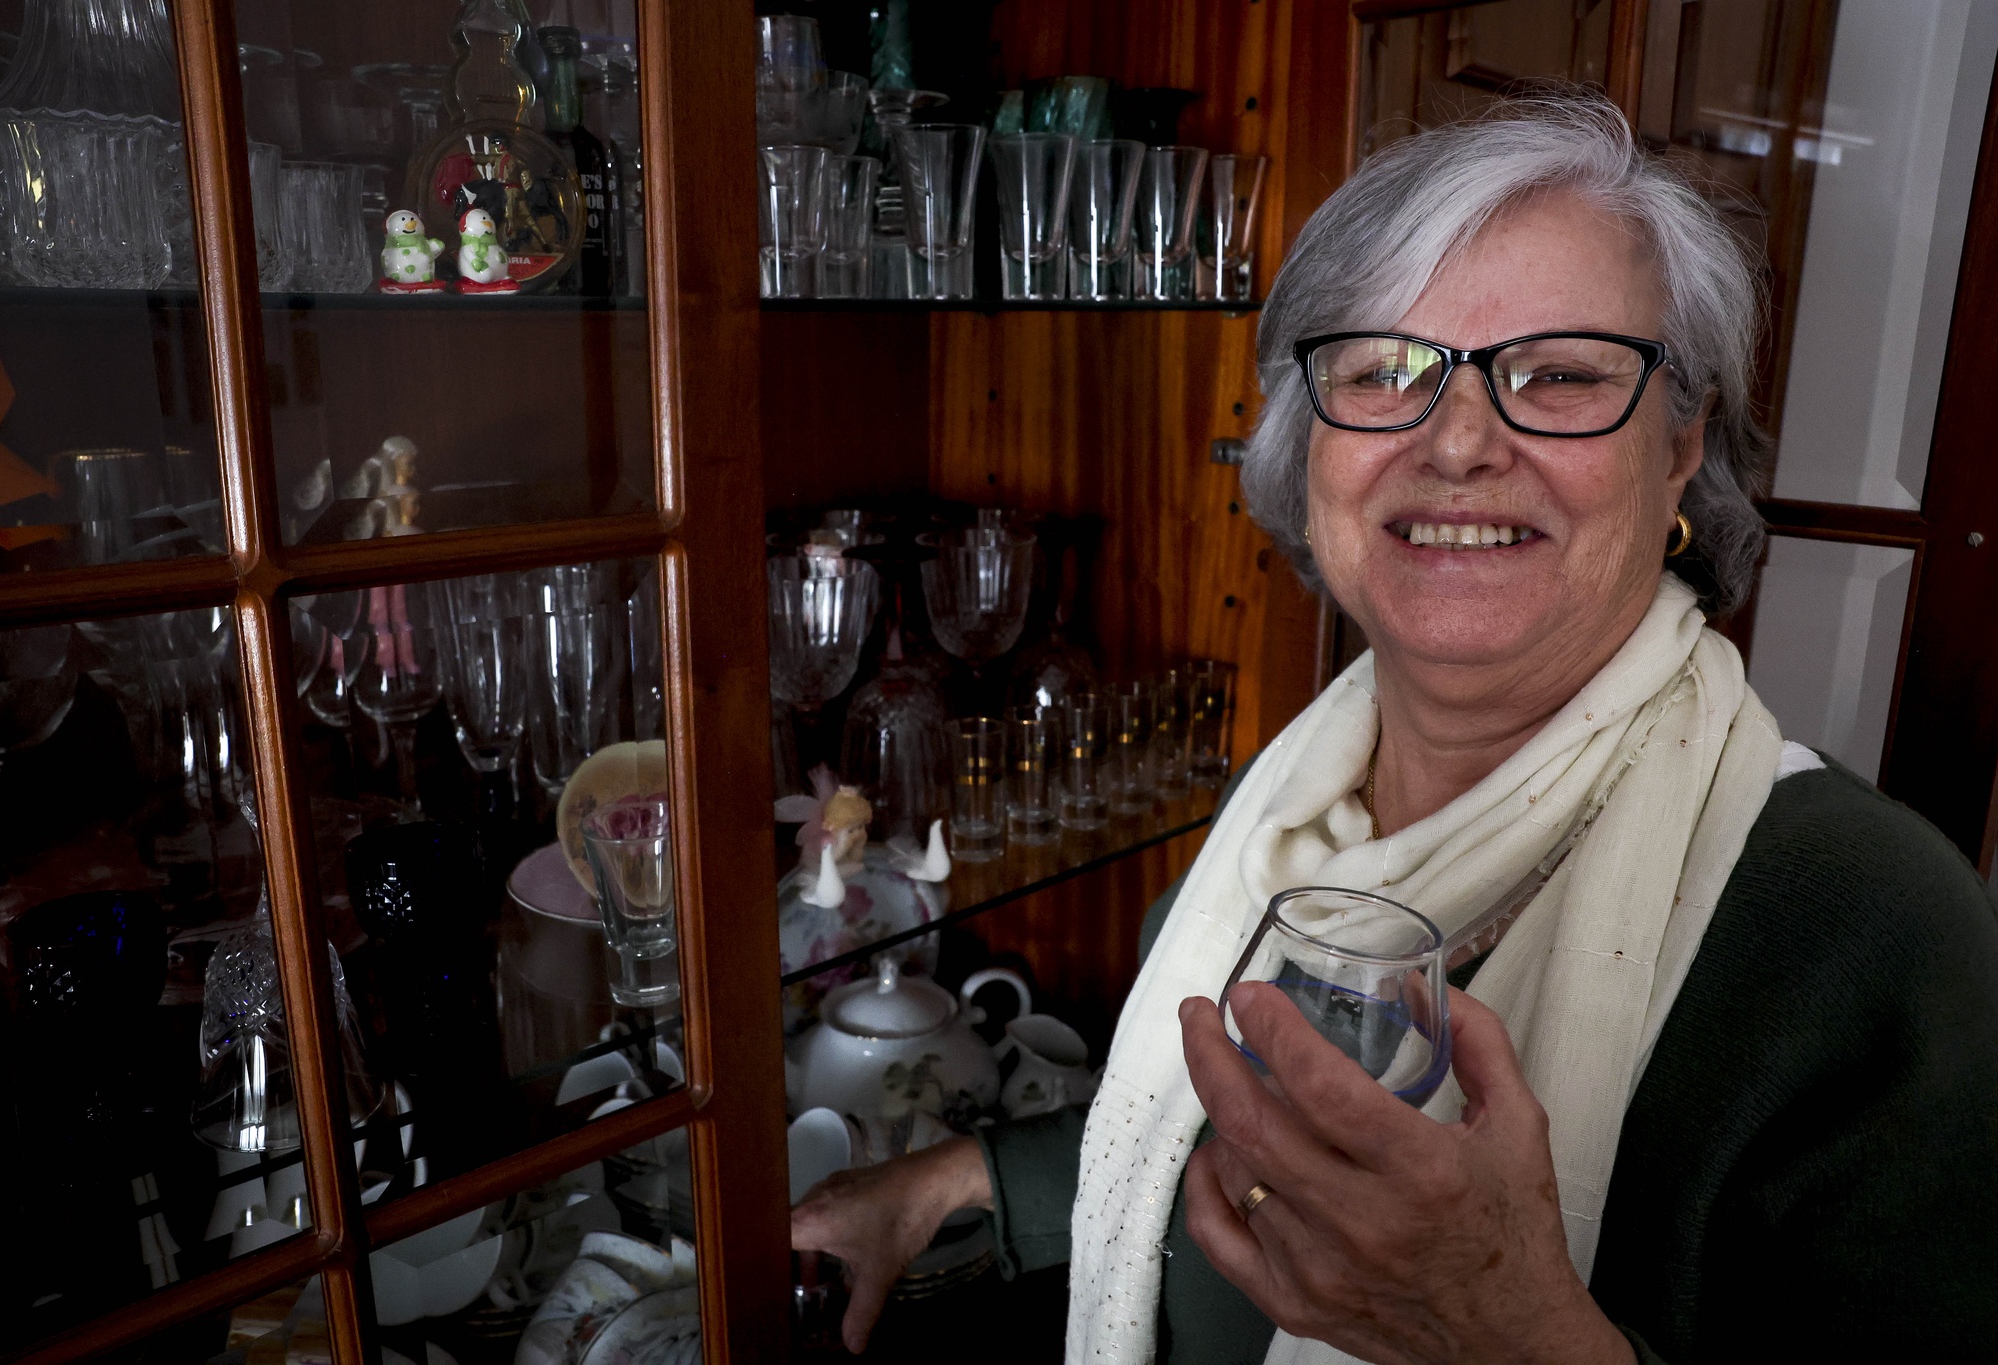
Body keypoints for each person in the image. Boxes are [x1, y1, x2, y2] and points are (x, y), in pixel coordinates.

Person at [791, 94, 1998, 1363]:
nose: (1461, 441)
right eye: (1382, 371)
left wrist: (1503, 1328)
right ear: (1306, 450)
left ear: (1679, 444)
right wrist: (955, 1180)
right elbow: (1218, 1138)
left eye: (1561, 374)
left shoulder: (1870, 928)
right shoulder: (1299, 793)